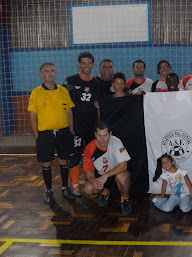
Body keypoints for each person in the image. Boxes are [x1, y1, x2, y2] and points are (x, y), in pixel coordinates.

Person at [28, 62, 75, 204]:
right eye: (47, 71)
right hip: (45, 134)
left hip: (63, 132)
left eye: (53, 71)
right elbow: (32, 116)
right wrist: (37, 135)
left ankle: (65, 187)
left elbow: (69, 111)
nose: (50, 73)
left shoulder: (63, 91)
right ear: (41, 74)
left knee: (64, 160)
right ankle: (49, 190)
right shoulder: (36, 93)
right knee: (46, 162)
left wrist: (71, 130)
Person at [62, 51, 99, 196]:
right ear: (79, 64)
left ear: (93, 65)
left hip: (91, 127)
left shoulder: (96, 83)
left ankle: (92, 182)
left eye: (89, 63)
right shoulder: (70, 81)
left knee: (92, 156)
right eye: (84, 63)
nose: (87, 65)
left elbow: (101, 103)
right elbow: (62, 102)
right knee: (75, 156)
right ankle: (76, 185)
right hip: (76, 127)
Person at [82, 122, 132, 215]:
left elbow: (124, 165)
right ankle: (105, 191)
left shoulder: (116, 142)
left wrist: (106, 175)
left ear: (110, 134)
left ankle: (125, 199)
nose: (102, 139)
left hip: (115, 174)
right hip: (101, 177)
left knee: (123, 176)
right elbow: (88, 171)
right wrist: (94, 182)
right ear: (95, 134)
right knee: (88, 189)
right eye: (99, 135)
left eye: (105, 135)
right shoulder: (90, 147)